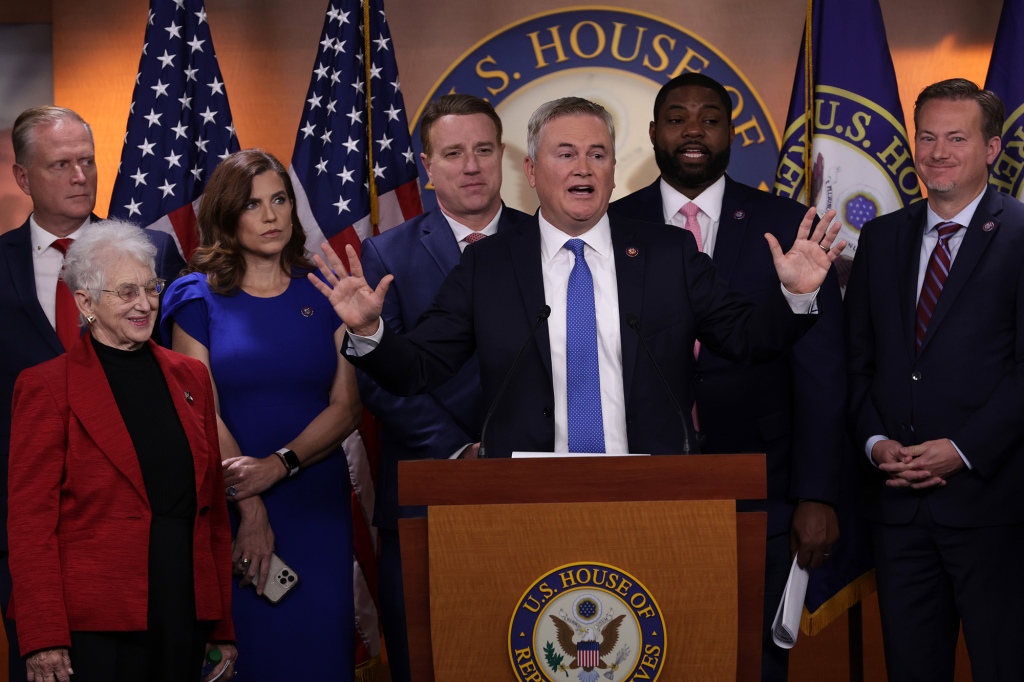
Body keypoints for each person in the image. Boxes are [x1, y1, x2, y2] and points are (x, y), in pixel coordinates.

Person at [310, 97, 846, 459]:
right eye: (565, 154)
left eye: (597, 155)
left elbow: (749, 340)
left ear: (614, 170)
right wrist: (369, 333)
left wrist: (796, 297)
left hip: (651, 485)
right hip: (528, 494)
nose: (583, 169)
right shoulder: (489, 265)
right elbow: (417, 370)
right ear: (532, 171)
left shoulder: (668, 253)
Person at [610, 73, 845, 680]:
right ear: (656, 133)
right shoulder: (609, 226)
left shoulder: (791, 224)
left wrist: (816, 492)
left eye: (710, 118)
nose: (694, 130)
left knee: (753, 663)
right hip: (641, 488)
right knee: (648, 652)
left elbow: (822, 372)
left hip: (763, 489)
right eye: (678, 118)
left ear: (731, 133)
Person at [846, 78, 1024, 681]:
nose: (938, 152)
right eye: (927, 136)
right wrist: (875, 444)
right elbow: (858, 362)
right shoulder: (881, 238)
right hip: (899, 509)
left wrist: (963, 451)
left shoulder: (1022, 235)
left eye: (957, 138)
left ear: (993, 148)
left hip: (996, 509)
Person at [160, 148, 362, 681]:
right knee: (249, 655)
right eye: (253, 204)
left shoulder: (321, 289)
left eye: (279, 200)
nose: (271, 216)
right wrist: (250, 506)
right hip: (229, 501)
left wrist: (281, 464)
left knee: (321, 651)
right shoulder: (194, 294)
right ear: (226, 215)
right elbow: (198, 407)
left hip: (316, 502)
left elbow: (347, 407)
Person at [0, 105, 185, 681]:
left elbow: (178, 385)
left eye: (87, 161)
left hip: (140, 538)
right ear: (23, 177)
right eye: (61, 164)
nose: (80, 175)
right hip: (28, 529)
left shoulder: (153, 252)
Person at [7, 220, 235, 682]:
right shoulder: (46, 387)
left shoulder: (190, 377)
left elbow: (211, 515)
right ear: (86, 302)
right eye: (125, 292)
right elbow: (31, 526)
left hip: (185, 613)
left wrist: (221, 623)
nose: (144, 304)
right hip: (92, 625)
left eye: (151, 288)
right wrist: (43, 635)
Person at [357, 93, 528, 681]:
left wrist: (506, 448)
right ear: (427, 167)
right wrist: (460, 453)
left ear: (503, 155)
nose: (472, 166)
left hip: (533, 485)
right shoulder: (385, 252)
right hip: (425, 491)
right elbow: (379, 376)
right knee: (430, 662)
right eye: (453, 153)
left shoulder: (550, 242)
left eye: (484, 149)